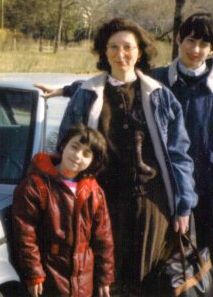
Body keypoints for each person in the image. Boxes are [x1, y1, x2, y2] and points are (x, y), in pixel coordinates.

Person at [52, 17, 197, 295]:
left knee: (147, 281)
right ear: (104, 53)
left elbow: (179, 156)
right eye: (113, 47)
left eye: (128, 47)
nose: (121, 55)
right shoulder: (86, 95)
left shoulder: (160, 96)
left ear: (139, 51)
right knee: (107, 280)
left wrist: (183, 206)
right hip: (101, 203)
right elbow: (65, 149)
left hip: (151, 206)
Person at [149, 12, 213, 296]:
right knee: (167, 260)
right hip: (168, 186)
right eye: (191, 40)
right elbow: (119, 88)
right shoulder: (157, 80)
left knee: (211, 262)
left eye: (204, 44)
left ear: (212, 49)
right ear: (178, 39)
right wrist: (68, 88)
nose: (195, 50)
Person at [12, 123, 114, 297]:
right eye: (74, 147)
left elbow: (104, 238)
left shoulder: (94, 192)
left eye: (86, 153)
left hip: (84, 278)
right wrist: (34, 273)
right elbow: (25, 235)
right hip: (49, 273)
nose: (77, 156)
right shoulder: (35, 186)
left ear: (93, 161)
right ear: (63, 145)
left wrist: (105, 277)